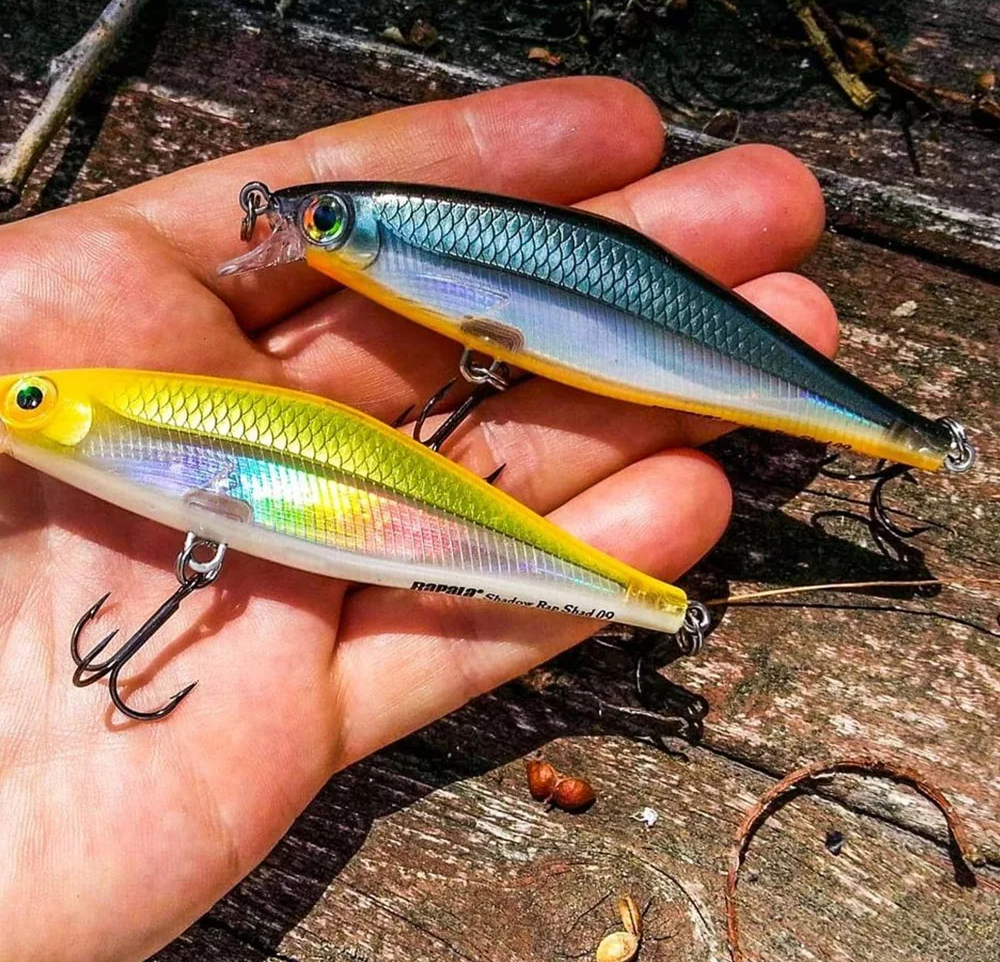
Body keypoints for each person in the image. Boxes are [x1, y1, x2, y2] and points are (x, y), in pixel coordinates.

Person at [0, 76, 835, 961]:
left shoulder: (98, 416)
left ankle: (656, 598)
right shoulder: (88, 432)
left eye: (25, 397)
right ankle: (653, 600)